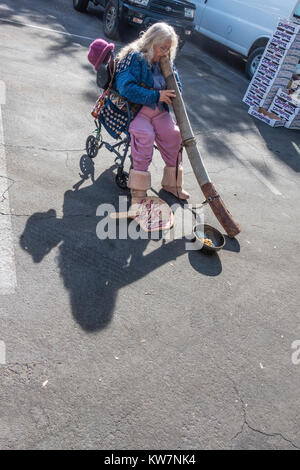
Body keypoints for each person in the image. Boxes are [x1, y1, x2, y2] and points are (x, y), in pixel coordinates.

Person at [114, 22, 190, 202]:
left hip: (159, 111)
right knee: (145, 137)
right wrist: (156, 95)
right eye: (162, 48)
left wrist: (173, 92)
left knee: (174, 136)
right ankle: (138, 193)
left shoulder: (166, 60)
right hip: (136, 111)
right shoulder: (135, 57)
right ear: (151, 43)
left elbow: (176, 85)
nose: (166, 53)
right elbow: (126, 89)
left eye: (169, 49)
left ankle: (173, 184)